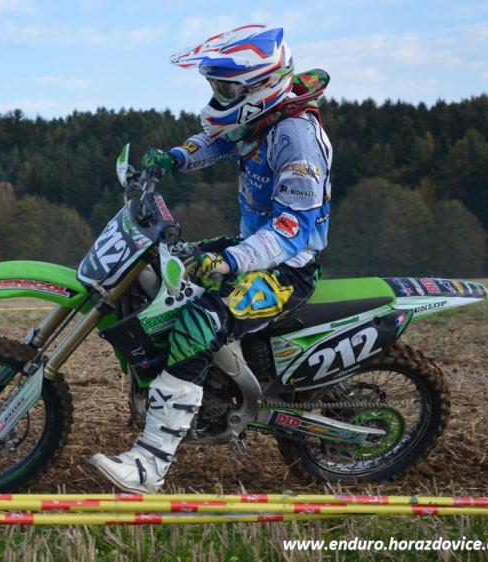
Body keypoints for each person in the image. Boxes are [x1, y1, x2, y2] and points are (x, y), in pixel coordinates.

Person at [91, 24, 333, 493]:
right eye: (215, 86)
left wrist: (229, 263)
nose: (217, 96)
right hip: (253, 248)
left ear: (259, 87)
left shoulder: (297, 139)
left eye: (225, 88)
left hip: (286, 268)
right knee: (161, 270)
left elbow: (292, 228)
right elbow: (220, 139)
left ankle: (150, 465)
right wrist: (176, 158)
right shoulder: (263, 118)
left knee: (198, 322)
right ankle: (203, 382)